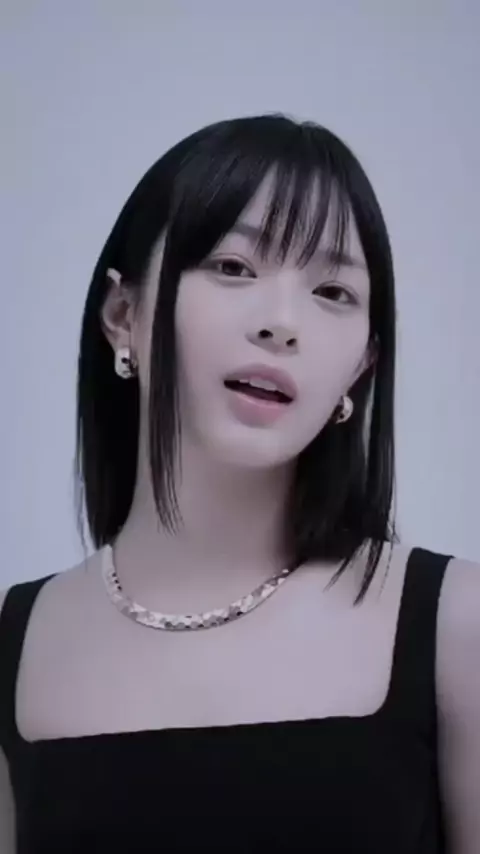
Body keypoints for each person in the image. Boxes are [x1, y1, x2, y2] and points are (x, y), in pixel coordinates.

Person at [0, 114, 479, 853]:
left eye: (333, 291)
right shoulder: (18, 640)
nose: (282, 324)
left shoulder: (458, 626)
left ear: (361, 365)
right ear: (123, 315)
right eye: (232, 267)